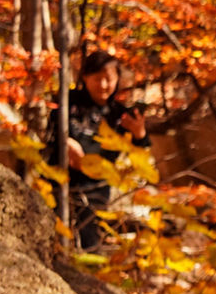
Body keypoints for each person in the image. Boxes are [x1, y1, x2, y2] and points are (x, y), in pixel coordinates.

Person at [46, 50, 147, 250]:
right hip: (60, 179)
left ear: (117, 79)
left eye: (108, 79)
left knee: (90, 238)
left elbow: (141, 157)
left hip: (97, 187)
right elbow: (51, 130)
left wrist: (139, 134)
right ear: (85, 77)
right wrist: (65, 142)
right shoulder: (69, 101)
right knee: (54, 235)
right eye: (97, 78)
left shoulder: (120, 114)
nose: (103, 85)